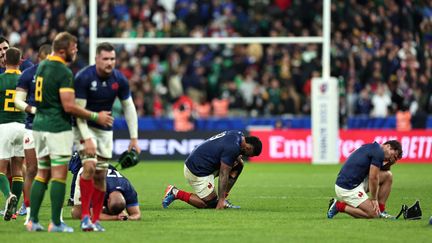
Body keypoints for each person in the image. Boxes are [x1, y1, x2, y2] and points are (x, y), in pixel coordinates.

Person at [26, 32, 113, 233]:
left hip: (38, 125)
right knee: (58, 174)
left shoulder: (41, 67)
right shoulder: (62, 72)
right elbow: (69, 106)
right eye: (74, 48)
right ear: (63, 50)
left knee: (42, 173)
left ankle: (33, 220)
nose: (76, 51)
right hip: (57, 127)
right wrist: (95, 117)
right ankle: (55, 223)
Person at [73, 42, 140, 231]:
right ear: (96, 59)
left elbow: (129, 107)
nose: (110, 63)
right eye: (105, 59)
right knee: (89, 166)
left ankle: (95, 221)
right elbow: (78, 112)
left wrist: (134, 138)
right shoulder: (84, 77)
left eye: (112, 59)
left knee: (101, 174)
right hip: (83, 126)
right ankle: (85, 217)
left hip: (104, 130)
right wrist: (86, 138)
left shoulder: (119, 79)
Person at [162, 130, 262, 209]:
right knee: (209, 204)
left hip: (206, 165)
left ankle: (222, 200)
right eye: (250, 154)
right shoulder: (232, 148)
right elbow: (224, 174)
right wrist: (221, 199)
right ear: (248, 148)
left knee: (239, 164)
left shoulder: (237, 134)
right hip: (196, 171)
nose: (247, 156)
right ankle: (175, 192)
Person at [14, 44, 52, 224]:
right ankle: (28, 212)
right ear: (39, 58)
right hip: (31, 126)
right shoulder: (28, 74)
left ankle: (55, 216)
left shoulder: (60, 74)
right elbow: (18, 101)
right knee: (31, 169)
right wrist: (33, 109)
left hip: (54, 127)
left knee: (52, 171)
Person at [327, 140, 403, 219]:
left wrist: (390, 162)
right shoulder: (378, 153)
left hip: (356, 181)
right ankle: (339, 206)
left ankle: (381, 211)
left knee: (388, 176)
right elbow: (373, 177)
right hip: (347, 188)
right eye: (394, 156)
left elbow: (383, 170)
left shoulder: (375, 149)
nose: (392, 159)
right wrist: (374, 199)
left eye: (395, 159)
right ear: (388, 146)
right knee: (374, 215)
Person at [68, 154, 140, 221]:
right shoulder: (96, 188)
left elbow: (136, 214)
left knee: (115, 207)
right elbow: (93, 215)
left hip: (106, 170)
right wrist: (115, 217)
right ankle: (108, 210)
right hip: (87, 174)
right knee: (77, 214)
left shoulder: (128, 189)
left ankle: (109, 210)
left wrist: (128, 218)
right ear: (108, 200)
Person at [0, 47, 26, 221]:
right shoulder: (24, 80)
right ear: (20, 60)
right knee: (17, 170)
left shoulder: (1, 79)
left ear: (4, 60)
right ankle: (14, 211)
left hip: (5, 125)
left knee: (1, 169)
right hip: (22, 127)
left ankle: (9, 195)